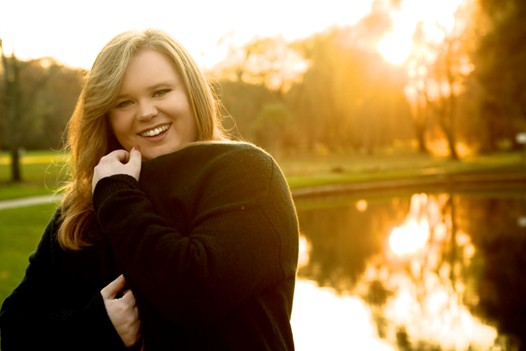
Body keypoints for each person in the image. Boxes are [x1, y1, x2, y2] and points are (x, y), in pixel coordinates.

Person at [0, 28, 299, 350]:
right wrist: (96, 327)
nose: (146, 113)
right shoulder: (85, 208)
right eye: (124, 102)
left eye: (160, 92)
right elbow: (15, 327)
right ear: (107, 117)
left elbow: (195, 296)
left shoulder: (245, 172)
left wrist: (118, 197)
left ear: (191, 92)